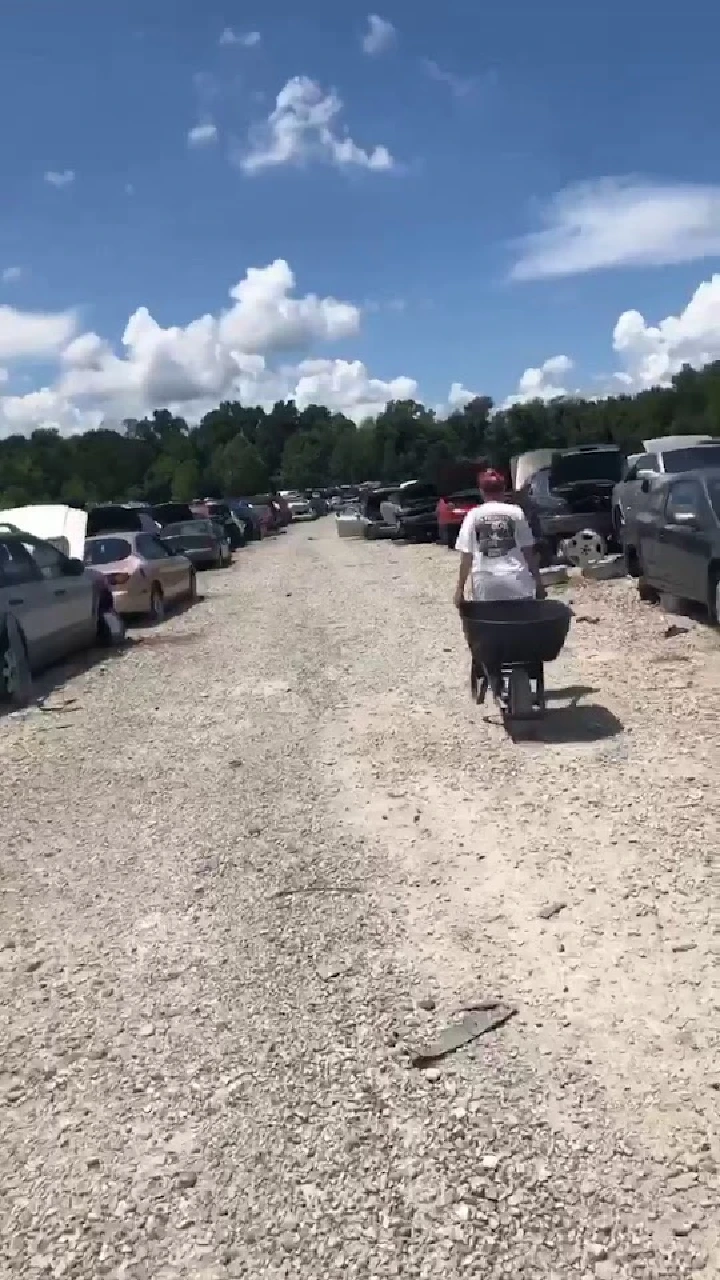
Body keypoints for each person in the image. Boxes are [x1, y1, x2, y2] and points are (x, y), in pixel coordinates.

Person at [452, 479, 545, 608]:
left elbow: (466, 556)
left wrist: (460, 589)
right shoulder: (516, 512)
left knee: (491, 625)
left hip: (485, 583)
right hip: (516, 580)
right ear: (503, 490)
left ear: (481, 491)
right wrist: (539, 583)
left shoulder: (473, 515)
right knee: (521, 624)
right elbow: (529, 552)